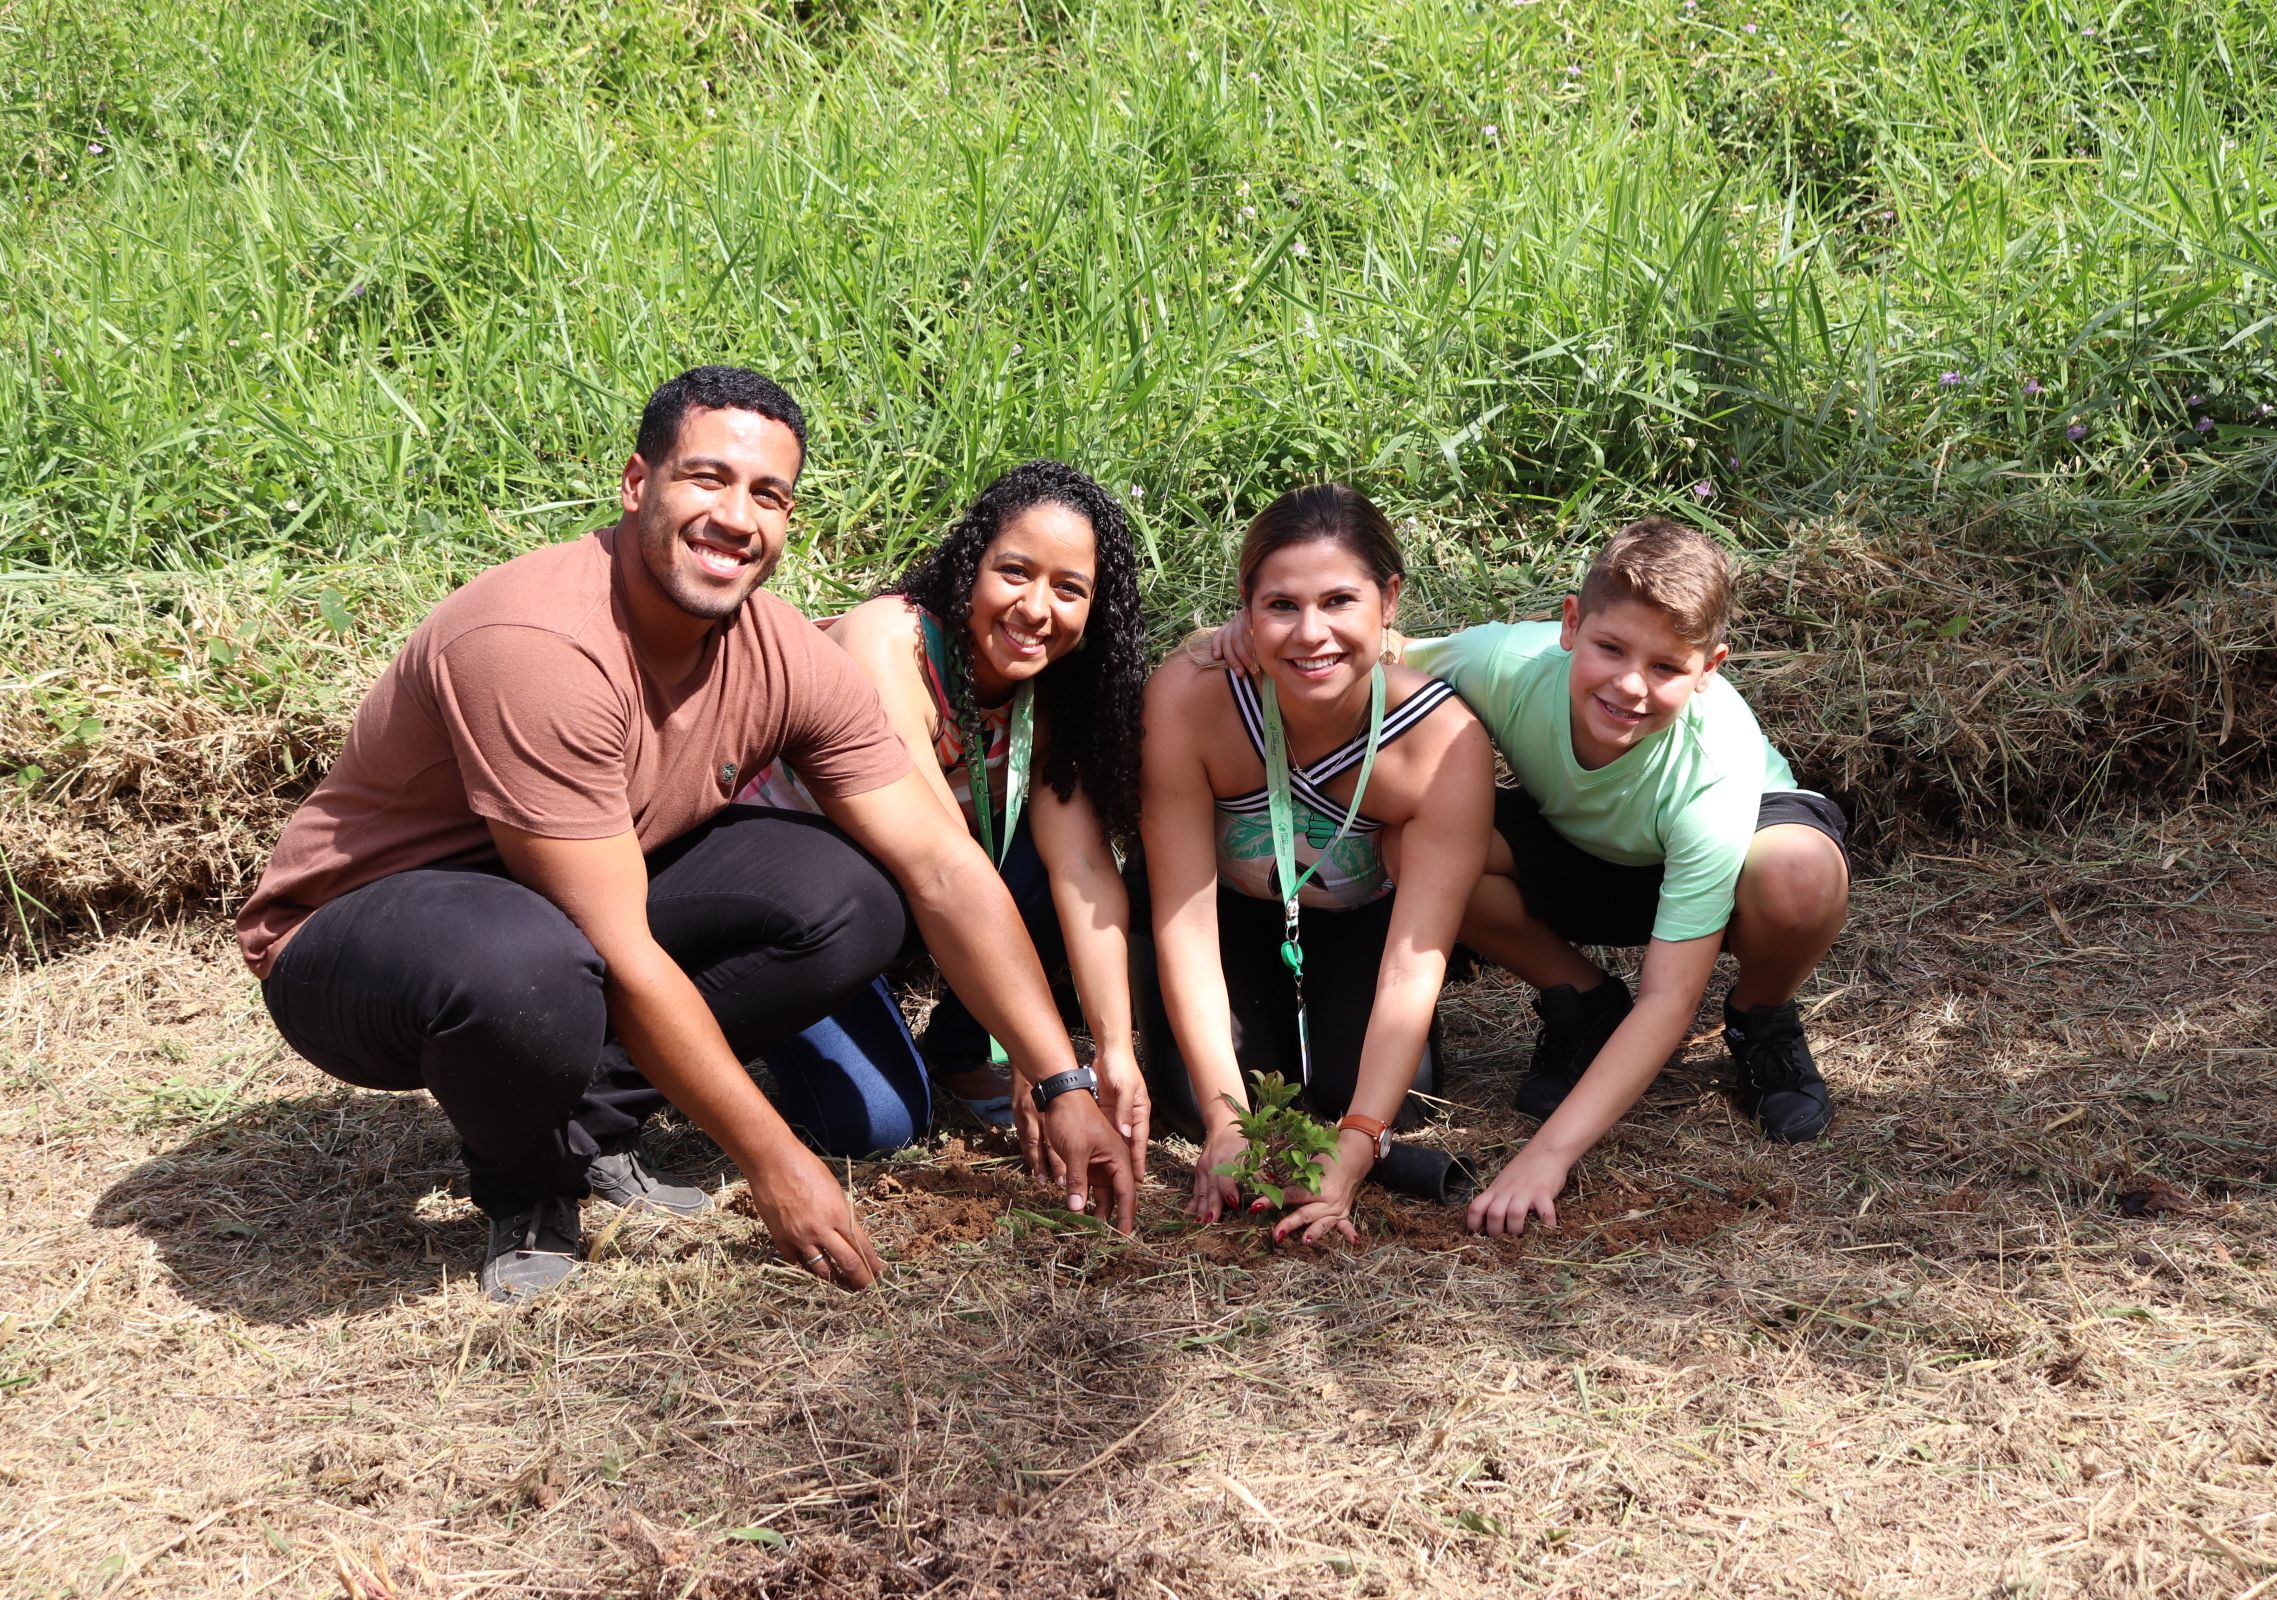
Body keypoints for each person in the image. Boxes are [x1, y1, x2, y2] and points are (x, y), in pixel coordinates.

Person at [235, 366, 1139, 1303]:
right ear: (638, 484)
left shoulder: (779, 647)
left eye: (768, 495)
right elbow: (619, 946)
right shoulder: (537, 642)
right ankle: (529, 1184)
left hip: (573, 901)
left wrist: (1060, 1078)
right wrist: (774, 1159)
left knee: (850, 898)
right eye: (707, 479)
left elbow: (942, 865)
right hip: (358, 934)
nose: (737, 517)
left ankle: (584, 1126)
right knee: (530, 966)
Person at [739, 462, 1149, 1178]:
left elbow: (1084, 870)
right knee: (879, 1125)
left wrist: (1110, 1050)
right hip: (802, 917)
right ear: (971, 563)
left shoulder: (1052, 693)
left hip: (901, 900)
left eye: (1070, 589)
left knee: (1056, 872)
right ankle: (748, 1028)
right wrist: (1044, 1059)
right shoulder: (888, 643)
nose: (1036, 609)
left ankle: (957, 1051)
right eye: (1015, 572)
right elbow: (936, 865)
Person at [1138, 483, 1493, 1246]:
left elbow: (1413, 957)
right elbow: (1185, 920)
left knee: (1395, 1102)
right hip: (1226, 916)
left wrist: (1361, 1141)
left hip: (1358, 922)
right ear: (1245, 605)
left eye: (1338, 601)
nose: (1311, 634)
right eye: (1281, 606)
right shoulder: (1192, 696)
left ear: (1388, 600)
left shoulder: (1442, 743)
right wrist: (1223, 1121)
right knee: (1187, 1098)